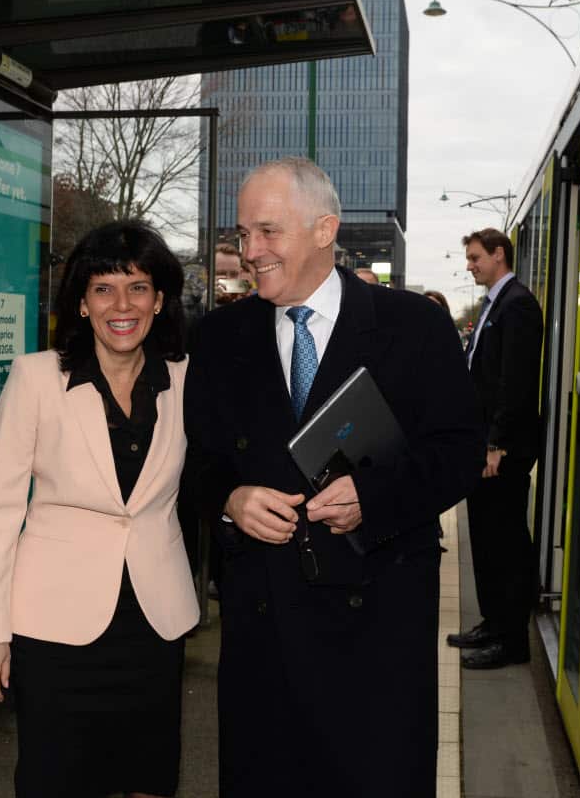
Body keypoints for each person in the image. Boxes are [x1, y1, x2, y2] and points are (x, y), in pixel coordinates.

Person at [184, 157, 483, 798]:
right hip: (263, 631)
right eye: (242, 235)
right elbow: (197, 466)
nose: (250, 252)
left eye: (268, 232)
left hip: (376, 629)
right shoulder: (218, 337)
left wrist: (373, 498)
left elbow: (459, 452)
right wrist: (232, 499)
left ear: (325, 229)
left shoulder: (413, 328)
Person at [0, 220, 198, 798]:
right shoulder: (37, 378)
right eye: (103, 289)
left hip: (153, 625)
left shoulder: (186, 379)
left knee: (150, 780)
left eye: (138, 287)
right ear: (82, 303)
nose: (122, 304)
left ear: (160, 298)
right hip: (54, 630)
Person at [447, 227, 544, 669]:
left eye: (474, 258)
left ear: (498, 255)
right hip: (483, 446)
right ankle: (492, 622)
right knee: (485, 540)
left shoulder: (518, 305)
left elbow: (515, 385)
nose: (469, 266)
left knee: (504, 544)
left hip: (501, 450)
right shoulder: (497, 304)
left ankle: (511, 640)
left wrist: (496, 445)